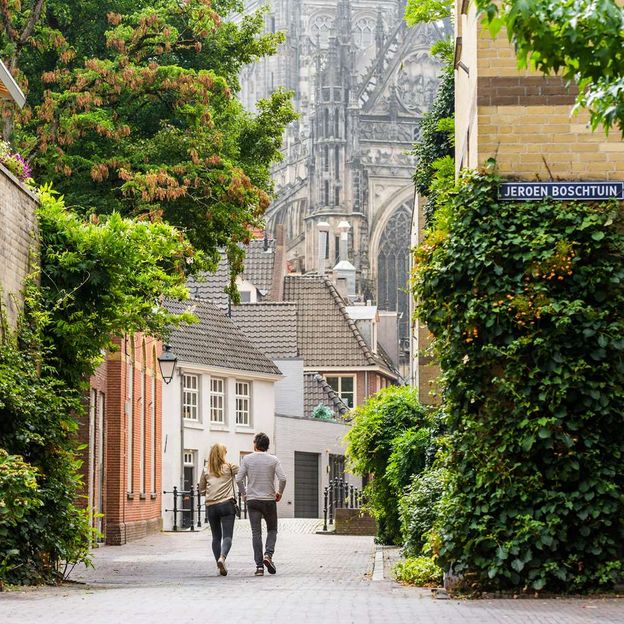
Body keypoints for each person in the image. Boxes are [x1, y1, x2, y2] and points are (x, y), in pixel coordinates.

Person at [236, 432, 287, 576]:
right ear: (267, 446)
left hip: (252, 501)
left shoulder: (247, 459)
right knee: (272, 529)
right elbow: (283, 478)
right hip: (269, 500)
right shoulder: (273, 460)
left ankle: (259, 567)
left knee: (256, 533)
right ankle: (268, 555)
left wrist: (244, 494)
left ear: (255, 444)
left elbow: (238, 479)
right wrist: (280, 493)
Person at [199, 443, 238, 576]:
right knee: (227, 536)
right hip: (227, 504)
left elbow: (201, 490)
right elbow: (244, 470)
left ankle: (219, 564)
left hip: (211, 507)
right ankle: (223, 557)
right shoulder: (230, 467)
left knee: (216, 537)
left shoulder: (205, 469)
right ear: (223, 455)